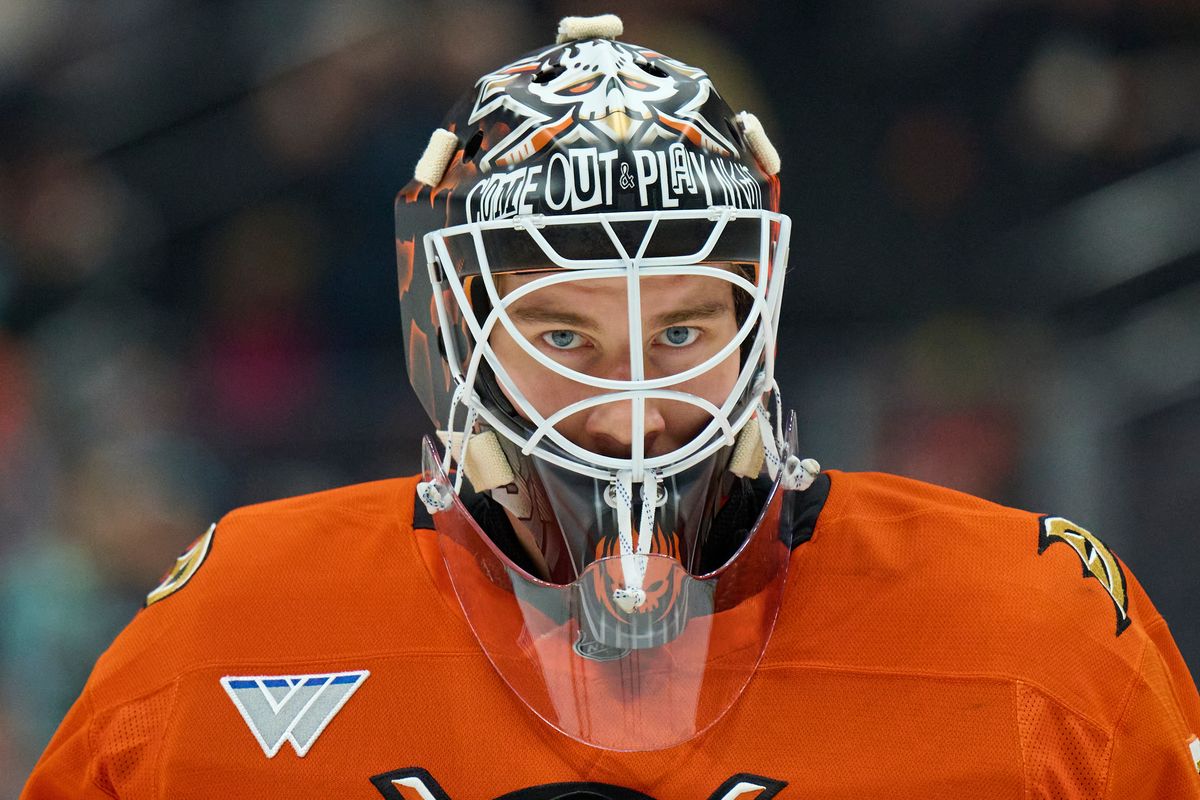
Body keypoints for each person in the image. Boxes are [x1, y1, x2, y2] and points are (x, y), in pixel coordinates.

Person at [22, 14, 1200, 800]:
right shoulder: (229, 632)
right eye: (561, 333)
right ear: (452, 337)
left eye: (682, 329)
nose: (631, 400)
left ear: (763, 317)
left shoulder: (1033, 633)